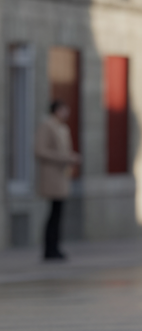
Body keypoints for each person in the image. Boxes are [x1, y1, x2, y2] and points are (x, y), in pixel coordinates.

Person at [35, 100, 80, 261]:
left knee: (58, 213)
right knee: (54, 213)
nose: (66, 113)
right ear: (57, 110)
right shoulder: (47, 125)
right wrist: (66, 157)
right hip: (52, 176)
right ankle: (49, 249)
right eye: (64, 110)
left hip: (61, 175)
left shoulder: (62, 127)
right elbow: (40, 150)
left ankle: (55, 247)